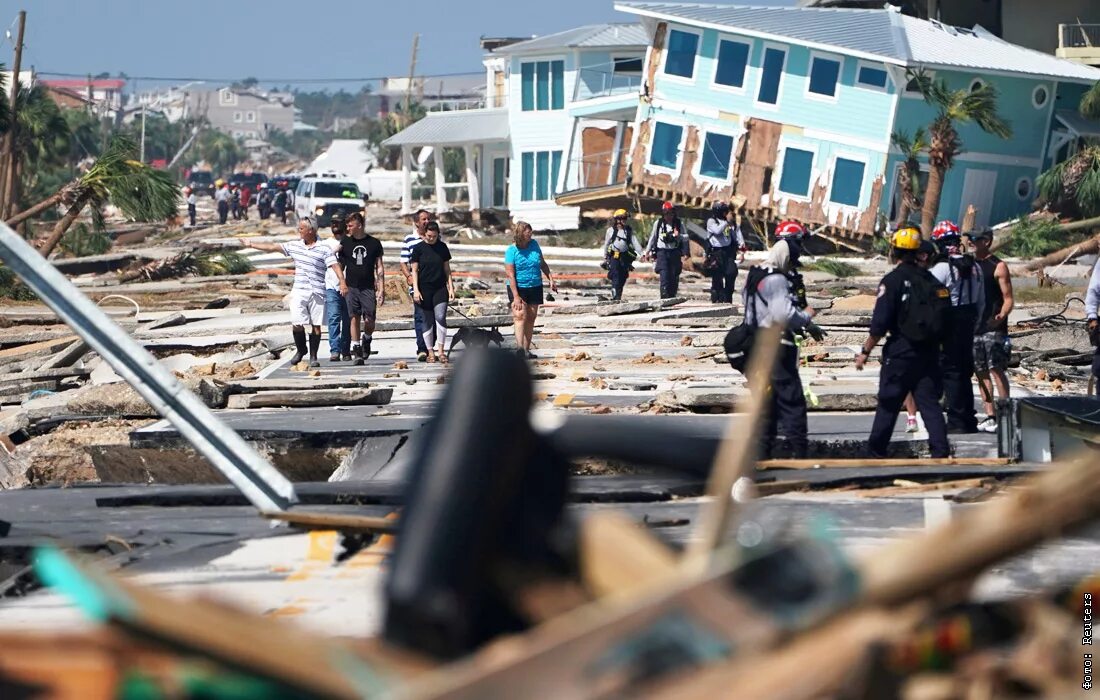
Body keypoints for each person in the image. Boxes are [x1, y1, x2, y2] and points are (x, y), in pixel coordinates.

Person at [856, 226, 950, 459]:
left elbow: (880, 323)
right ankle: (941, 452)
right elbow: (947, 318)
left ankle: (875, 452)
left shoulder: (893, 281)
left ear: (895, 251)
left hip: (900, 352)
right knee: (929, 405)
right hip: (928, 354)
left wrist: (865, 351)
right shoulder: (931, 281)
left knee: (888, 403)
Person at [742, 236, 825, 458]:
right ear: (786, 258)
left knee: (766, 403)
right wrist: (806, 317)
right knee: (792, 400)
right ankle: (799, 452)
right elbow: (783, 314)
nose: (791, 269)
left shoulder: (755, 274)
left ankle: (763, 453)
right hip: (776, 346)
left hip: (755, 344)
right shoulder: (777, 280)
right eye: (791, 263)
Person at [243, 218, 347, 368]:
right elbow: (273, 247)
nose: (299, 231)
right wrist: (251, 244)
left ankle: (313, 356)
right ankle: (301, 349)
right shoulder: (294, 246)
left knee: (316, 326)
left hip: (317, 291)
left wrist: (342, 282)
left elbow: (335, 266)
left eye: (301, 229)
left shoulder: (324, 248)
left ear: (311, 231)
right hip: (299, 291)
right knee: (297, 323)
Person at [929, 220, 984, 434]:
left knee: (950, 372)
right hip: (968, 321)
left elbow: (929, 298)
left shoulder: (942, 268)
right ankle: (968, 418)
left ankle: (956, 420)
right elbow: (981, 301)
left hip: (949, 323)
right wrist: (977, 322)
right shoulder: (976, 266)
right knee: (964, 371)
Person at [968, 228, 1014, 432]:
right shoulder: (968, 264)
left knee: (996, 369)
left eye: (975, 238)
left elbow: (1008, 298)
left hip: (993, 327)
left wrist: (1001, 316)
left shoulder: (998, 266)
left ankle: (1005, 412)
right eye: (970, 238)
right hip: (973, 327)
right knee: (980, 372)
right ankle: (990, 415)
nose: (971, 241)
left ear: (986, 241)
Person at [506, 221, 558, 358]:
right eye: (527, 232)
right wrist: (516, 296)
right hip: (517, 286)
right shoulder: (511, 251)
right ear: (520, 233)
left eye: (531, 231)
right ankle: (519, 349)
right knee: (519, 315)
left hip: (535, 285)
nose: (530, 234)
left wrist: (550, 279)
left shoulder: (534, 245)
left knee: (531, 317)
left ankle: (526, 349)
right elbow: (510, 275)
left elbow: (542, 263)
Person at [339, 211, 385, 366]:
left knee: (370, 319)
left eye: (350, 225)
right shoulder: (345, 242)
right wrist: (341, 283)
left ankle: (367, 338)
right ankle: (356, 348)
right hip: (351, 286)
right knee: (354, 317)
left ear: (359, 225)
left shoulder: (374, 243)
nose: (348, 228)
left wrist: (381, 288)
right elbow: (340, 264)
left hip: (368, 287)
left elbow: (379, 268)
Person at [902, 239, 938, 433]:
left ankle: (917, 416)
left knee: (921, 380)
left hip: (924, 336)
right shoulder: (904, 278)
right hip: (911, 335)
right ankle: (911, 416)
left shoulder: (931, 280)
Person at [410, 221, 455, 363]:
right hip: (424, 288)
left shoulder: (442, 248)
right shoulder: (418, 248)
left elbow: (447, 269)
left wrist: (451, 288)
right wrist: (416, 290)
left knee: (440, 317)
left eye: (434, 236)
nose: (431, 239)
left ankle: (441, 351)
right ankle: (430, 351)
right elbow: (414, 271)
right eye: (429, 236)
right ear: (424, 234)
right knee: (427, 320)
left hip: (440, 288)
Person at [401, 209, 432, 361]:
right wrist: (408, 276)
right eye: (424, 219)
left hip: (433, 283)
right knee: (420, 316)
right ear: (417, 222)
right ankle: (422, 348)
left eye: (428, 219)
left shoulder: (433, 238)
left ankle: (432, 347)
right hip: (417, 285)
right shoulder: (409, 239)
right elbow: (403, 262)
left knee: (433, 316)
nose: (426, 222)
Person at [644, 201, 689, 299]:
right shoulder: (658, 223)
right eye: (667, 213)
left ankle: (672, 295)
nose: (669, 216)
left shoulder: (679, 223)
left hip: (674, 252)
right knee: (664, 274)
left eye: (671, 213)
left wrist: (679, 236)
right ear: (663, 213)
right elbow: (653, 237)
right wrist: (647, 252)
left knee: (674, 274)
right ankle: (664, 295)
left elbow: (686, 237)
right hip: (662, 252)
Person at [323, 211, 352, 362]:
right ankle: (335, 350)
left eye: (337, 222)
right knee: (334, 318)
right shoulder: (326, 243)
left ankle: (346, 350)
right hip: (332, 286)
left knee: (348, 319)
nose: (334, 225)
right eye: (332, 222)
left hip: (350, 287)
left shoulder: (351, 241)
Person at [704, 202, 745, 304]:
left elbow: (736, 237)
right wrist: (726, 222)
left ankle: (728, 297)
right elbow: (717, 231)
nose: (727, 213)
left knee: (731, 272)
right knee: (717, 277)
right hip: (716, 252)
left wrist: (741, 249)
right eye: (725, 211)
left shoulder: (731, 224)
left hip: (728, 252)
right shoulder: (711, 221)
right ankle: (717, 298)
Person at [602, 209, 641, 301]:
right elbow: (606, 244)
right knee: (615, 275)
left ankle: (618, 295)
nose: (624, 221)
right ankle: (615, 296)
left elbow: (635, 243)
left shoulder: (628, 231)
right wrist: (605, 256)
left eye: (625, 219)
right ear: (617, 220)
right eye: (622, 218)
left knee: (623, 277)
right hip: (614, 257)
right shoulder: (611, 231)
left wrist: (642, 254)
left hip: (625, 258)